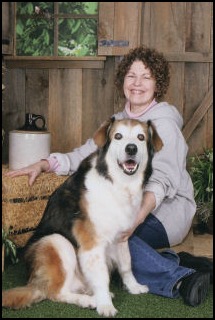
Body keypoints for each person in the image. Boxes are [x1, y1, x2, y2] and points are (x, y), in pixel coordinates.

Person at [6, 46, 212, 306]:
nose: (137, 83)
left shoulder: (164, 124)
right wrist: (46, 163)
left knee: (115, 235)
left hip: (165, 212)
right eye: (131, 75)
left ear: (157, 84)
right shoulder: (117, 122)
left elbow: (160, 183)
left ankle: (179, 279)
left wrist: (132, 223)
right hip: (129, 206)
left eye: (146, 77)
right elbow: (85, 153)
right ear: (122, 81)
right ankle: (191, 264)